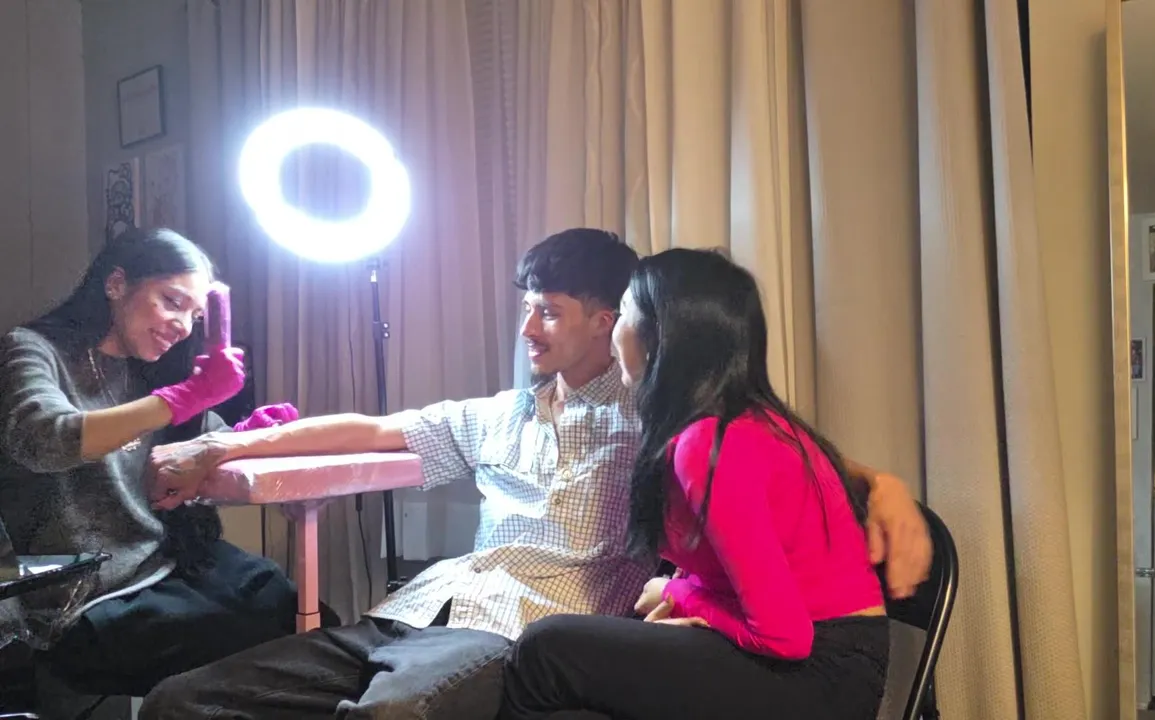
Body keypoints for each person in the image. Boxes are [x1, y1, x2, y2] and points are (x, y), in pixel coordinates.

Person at [139, 228, 930, 720]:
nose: (527, 329)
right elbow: (372, 428)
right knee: (182, 701)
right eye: (525, 307)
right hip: (416, 613)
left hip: (514, 634)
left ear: (611, 321)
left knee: (391, 714)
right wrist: (221, 449)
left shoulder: (657, 416)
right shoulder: (502, 413)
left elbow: (764, 457)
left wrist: (881, 486)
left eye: (548, 310)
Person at [500, 248, 889, 720]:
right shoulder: (736, 423)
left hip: (822, 674)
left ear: (660, 335)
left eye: (624, 312)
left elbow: (784, 636)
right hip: (816, 652)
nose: (616, 329)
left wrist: (678, 595)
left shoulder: (710, 443)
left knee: (545, 650)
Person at [0, 228, 312, 700]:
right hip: (77, 595)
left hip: (161, 561)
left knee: (299, 611)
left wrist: (249, 436)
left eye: (195, 315)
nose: (183, 326)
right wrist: (185, 397)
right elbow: (45, 439)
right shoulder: (30, 349)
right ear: (116, 284)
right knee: (260, 651)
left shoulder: (153, 371)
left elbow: (196, 449)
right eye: (172, 301)